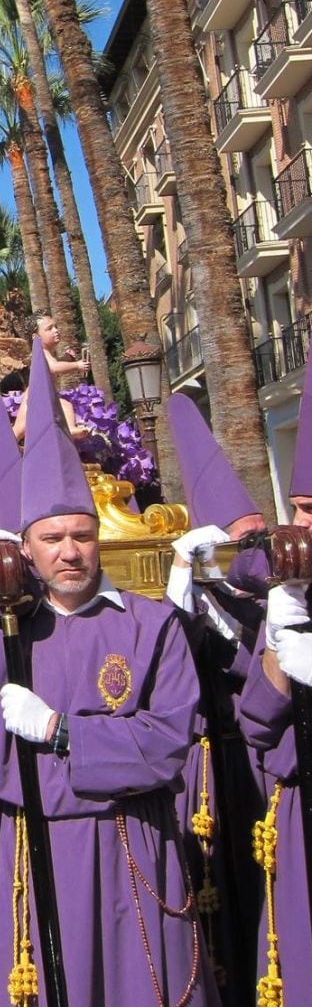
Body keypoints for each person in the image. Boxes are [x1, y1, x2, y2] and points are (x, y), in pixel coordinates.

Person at [0, 337, 215, 1005]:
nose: (70, 551)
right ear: (25, 548)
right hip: (25, 849)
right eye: (52, 538)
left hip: (130, 844)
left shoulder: (148, 624)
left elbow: (170, 740)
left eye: (83, 535)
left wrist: (66, 732)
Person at [163, 393, 268, 1003]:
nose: (246, 550)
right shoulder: (187, 601)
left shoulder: (269, 600)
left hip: (256, 757)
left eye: (253, 536)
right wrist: (188, 582)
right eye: (235, 541)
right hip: (205, 763)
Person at [236, 377, 312, 1003]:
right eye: (303, 508)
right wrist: (280, 653)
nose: (306, 525)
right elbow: (258, 724)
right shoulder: (286, 600)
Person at [10, 312, 87, 443]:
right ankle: (70, 428)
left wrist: (67, 358)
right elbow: (54, 367)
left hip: (36, 395)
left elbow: (54, 363)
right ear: (36, 337)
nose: (56, 330)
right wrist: (76, 365)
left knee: (21, 427)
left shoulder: (46, 354)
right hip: (38, 395)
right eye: (49, 328)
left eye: (55, 326)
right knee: (65, 406)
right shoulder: (41, 353)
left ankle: (3, 449)